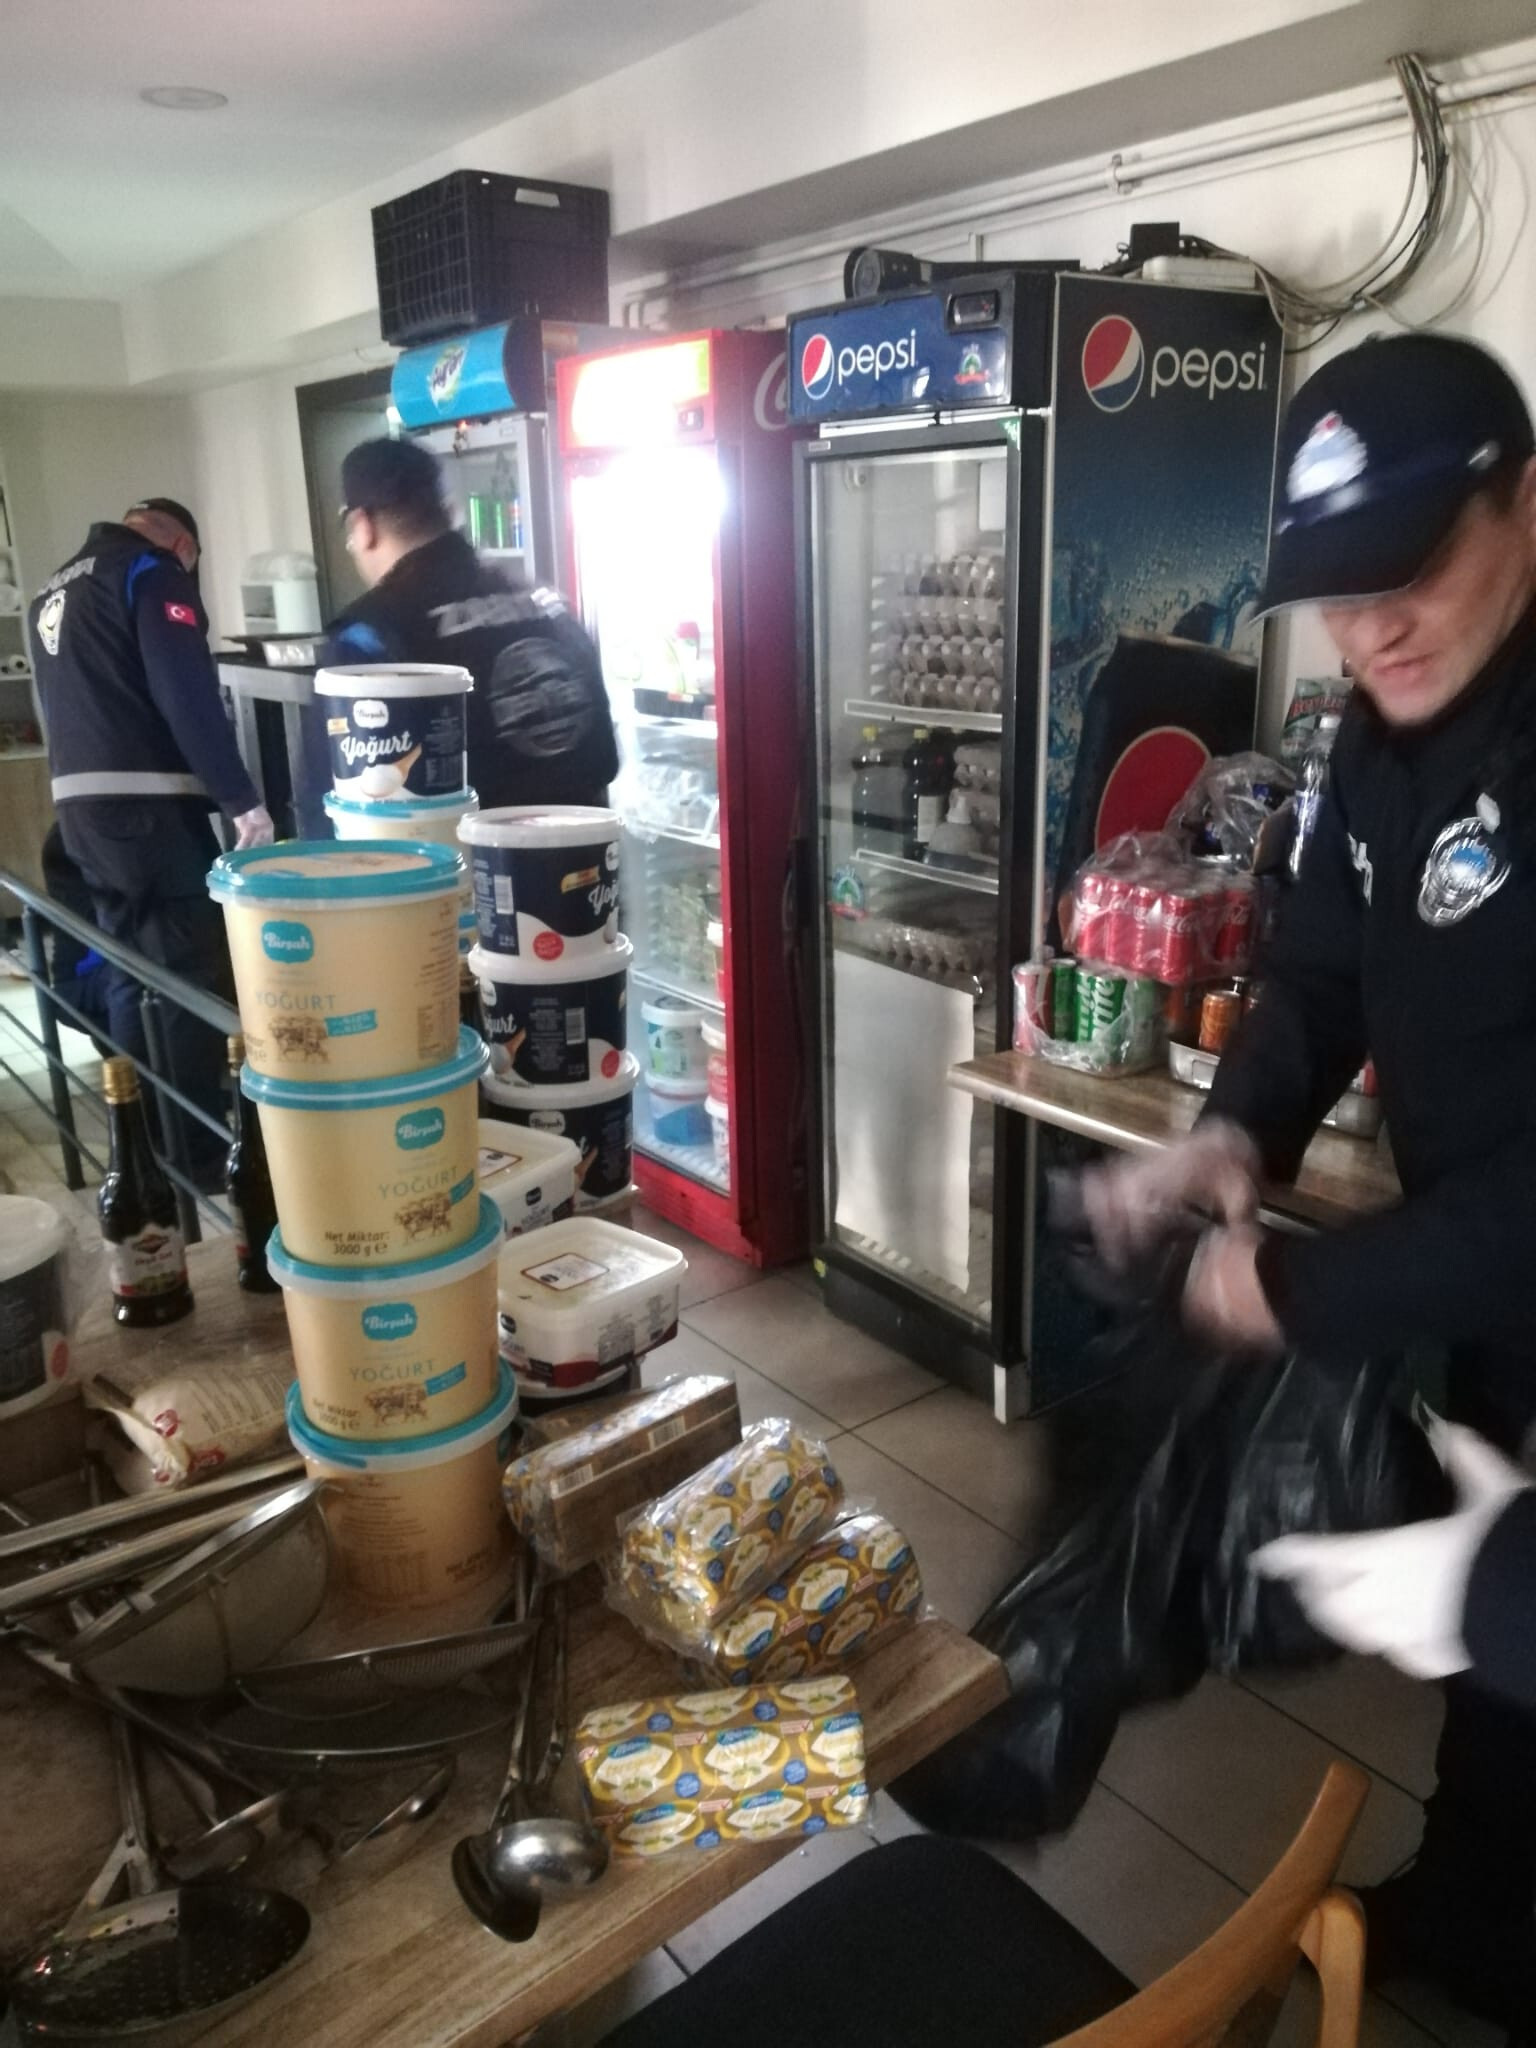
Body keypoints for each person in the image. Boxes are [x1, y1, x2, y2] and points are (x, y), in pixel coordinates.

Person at [1078, 331, 1536, 2031]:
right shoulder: (1383, 731)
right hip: (1489, 1291)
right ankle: (1477, 1913)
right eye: (1340, 593)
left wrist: (1300, 1286)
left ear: (1529, 503)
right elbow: (1323, 970)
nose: (1373, 629)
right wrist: (1236, 1134)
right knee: (1495, 1625)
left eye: (1410, 570)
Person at [28, 498, 273, 1184]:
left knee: (130, 971)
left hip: (81, 812)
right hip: (148, 810)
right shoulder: (150, 572)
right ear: (182, 546)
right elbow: (184, 691)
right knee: (183, 971)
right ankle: (190, 1157)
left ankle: (143, 1146)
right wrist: (240, 799)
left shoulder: (54, 587)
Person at [324, 438, 618, 809]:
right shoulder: (548, 602)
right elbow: (600, 756)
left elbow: (338, 801)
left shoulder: (369, 633)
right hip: (587, 837)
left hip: (463, 844)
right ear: (449, 512)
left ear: (363, 526)